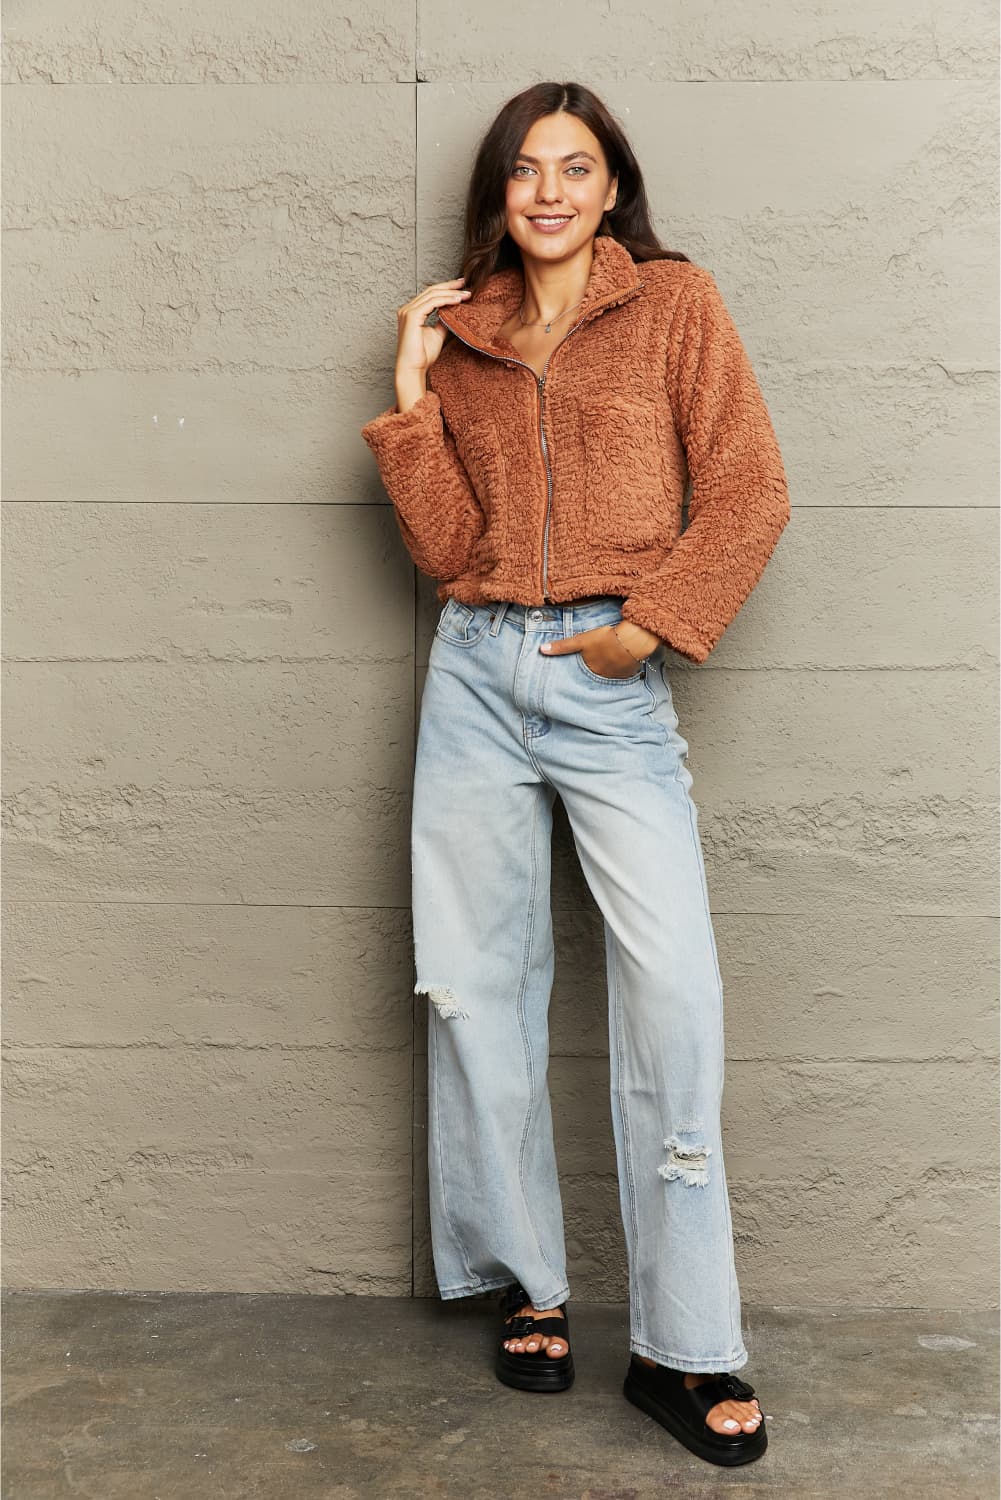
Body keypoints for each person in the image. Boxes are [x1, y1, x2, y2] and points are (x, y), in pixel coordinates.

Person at [360, 80, 790, 1469]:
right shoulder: (472, 332)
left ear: (612, 189)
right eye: (525, 170)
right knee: (473, 983)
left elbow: (749, 489)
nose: (548, 191)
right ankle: (526, 1282)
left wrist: (643, 630)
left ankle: (684, 1344)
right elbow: (446, 550)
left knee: (672, 991)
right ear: (498, 191)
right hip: (473, 677)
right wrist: (412, 395)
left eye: (576, 168)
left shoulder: (674, 305)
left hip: (607, 680)